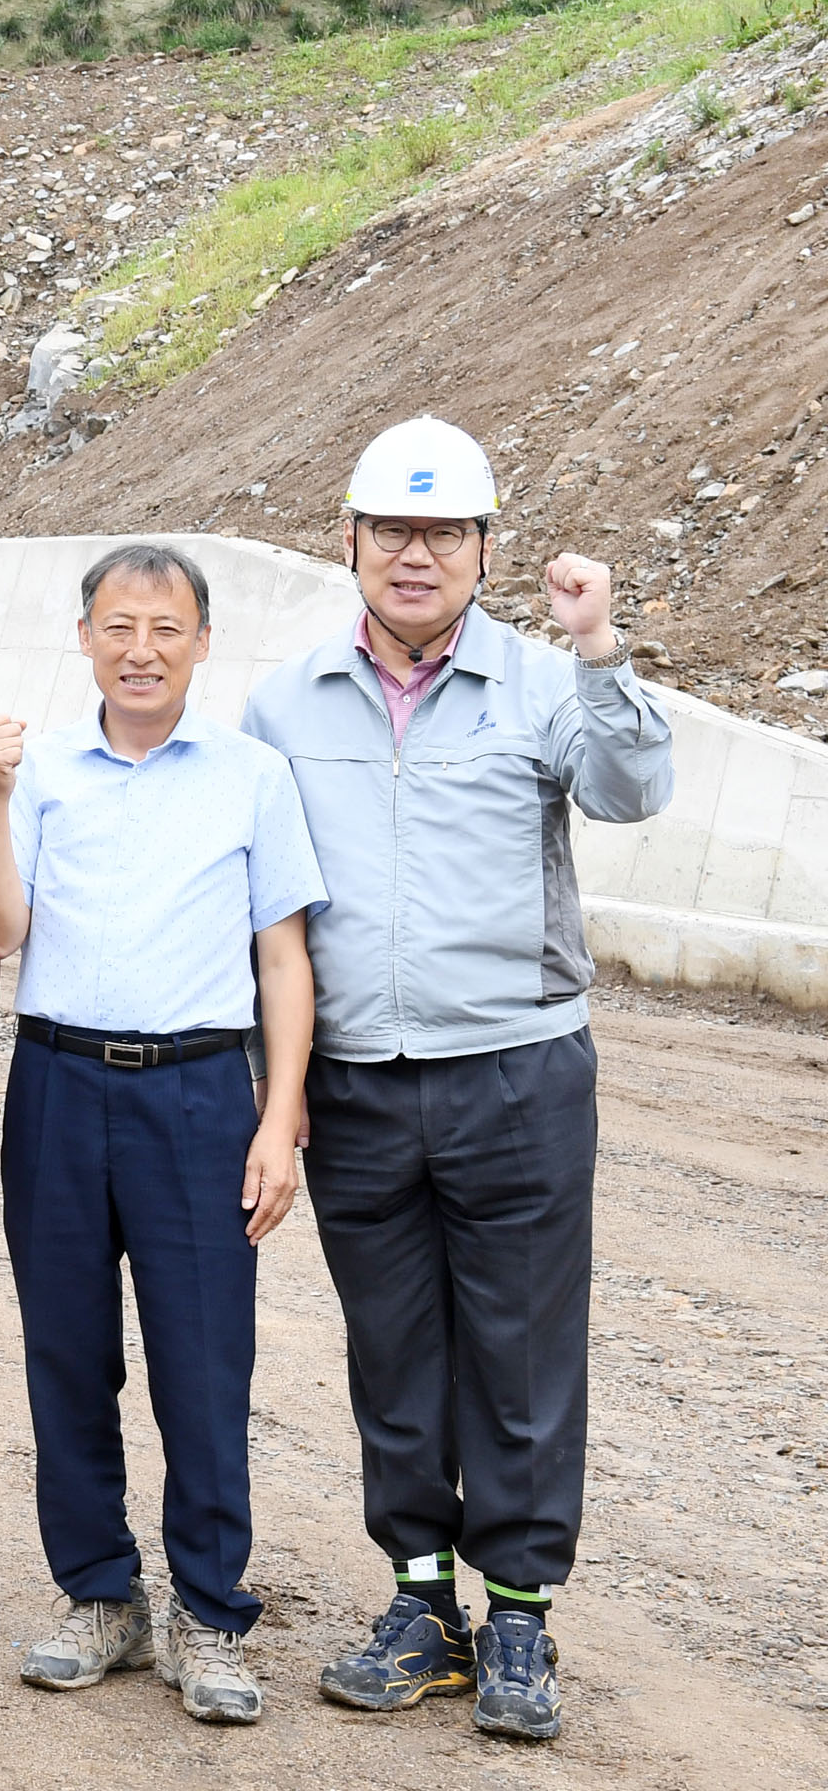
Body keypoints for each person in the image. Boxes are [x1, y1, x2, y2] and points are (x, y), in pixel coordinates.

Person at [244, 418, 673, 1744]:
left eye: (442, 533)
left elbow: (630, 787)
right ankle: (422, 1605)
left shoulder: (544, 683)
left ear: (484, 548)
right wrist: (281, 1082)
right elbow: (262, 903)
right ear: (351, 543)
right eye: (392, 531)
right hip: (361, 1084)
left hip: (519, 1073)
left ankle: (523, 1621)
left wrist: (601, 644)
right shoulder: (285, 700)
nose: (414, 555)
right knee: (396, 1348)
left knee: (524, 1352)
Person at [0, 541, 324, 1727]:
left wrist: (280, 1118)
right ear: (84, 638)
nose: (142, 651)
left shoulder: (252, 775)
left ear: (204, 644)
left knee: (204, 1361)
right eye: (119, 627)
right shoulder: (40, 771)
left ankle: (210, 1615)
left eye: (167, 630)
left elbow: (283, 958)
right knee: (68, 1354)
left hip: (200, 1094)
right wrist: (0, 802)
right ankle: (101, 1598)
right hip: (61, 1084)